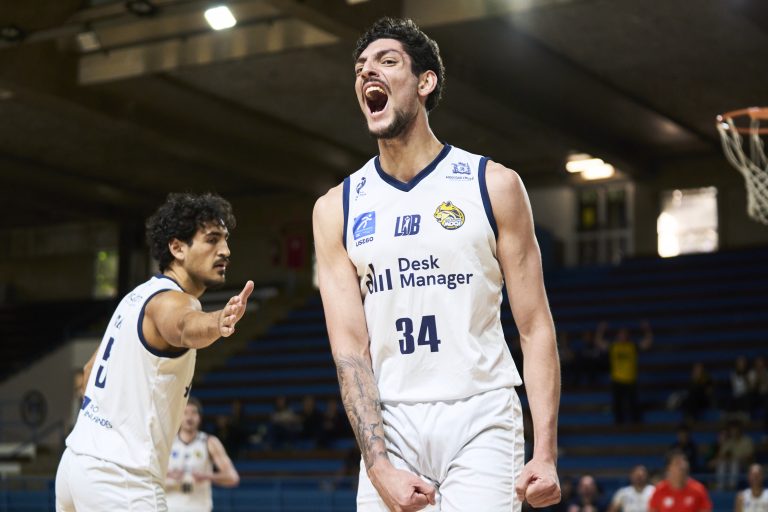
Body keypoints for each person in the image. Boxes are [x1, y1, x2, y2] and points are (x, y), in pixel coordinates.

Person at [313, 16, 561, 512]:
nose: (367, 73)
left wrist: (546, 453)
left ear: (424, 82)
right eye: (360, 68)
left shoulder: (493, 184)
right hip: (392, 422)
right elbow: (350, 352)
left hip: (483, 413)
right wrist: (378, 466)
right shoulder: (336, 208)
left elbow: (535, 327)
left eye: (387, 61)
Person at [55, 192, 253, 511]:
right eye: (212, 240)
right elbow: (185, 325)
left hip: (76, 464)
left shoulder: (135, 297)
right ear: (177, 248)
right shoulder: (173, 301)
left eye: (226, 240)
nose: (225, 251)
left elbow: (89, 373)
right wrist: (218, 322)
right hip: (122, 477)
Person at [166, 397, 240, 512]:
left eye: (193, 413)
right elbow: (149, 476)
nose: (189, 417)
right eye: (185, 413)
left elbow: (232, 477)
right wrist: (169, 476)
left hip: (199, 508)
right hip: (170, 507)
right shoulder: (168, 442)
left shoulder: (209, 442)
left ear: (199, 417)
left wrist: (206, 476)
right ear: (178, 416)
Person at [596, 321, 653, 424]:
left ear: (628, 336)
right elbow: (599, 342)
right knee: (617, 404)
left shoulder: (632, 346)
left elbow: (647, 343)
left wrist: (647, 330)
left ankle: (636, 423)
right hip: (617, 380)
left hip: (630, 380)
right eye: (621, 334)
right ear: (617, 336)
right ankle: (619, 424)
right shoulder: (613, 346)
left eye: (625, 334)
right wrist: (601, 330)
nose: (623, 336)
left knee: (633, 404)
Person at [715, 420, 755, 490]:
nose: (734, 432)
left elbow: (750, 456)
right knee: (722, 463)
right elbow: (722, 456)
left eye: (736, 430)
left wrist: (739, 458)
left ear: (740, 430)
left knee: (735, 463)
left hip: (744, 465)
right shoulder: (728, 442)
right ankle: (720, 486)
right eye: (732, 430)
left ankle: (732, 486)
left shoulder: (747, 441)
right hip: (729, 465)